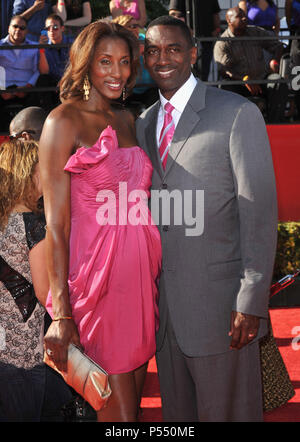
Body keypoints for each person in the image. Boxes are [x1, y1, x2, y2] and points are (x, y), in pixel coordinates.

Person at [136, 15, 278, 422]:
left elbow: (259, 213)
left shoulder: (237, 113)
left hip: (222, 311)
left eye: (173, 48)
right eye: (152, 50)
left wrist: (251, 299)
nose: (162, 58)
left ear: (194, 53)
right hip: (166, 317)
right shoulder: (144, 123)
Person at [38, 20, 162, 422]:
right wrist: (62, 312)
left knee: (133, 411)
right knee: (120, 416)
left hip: (140, 282)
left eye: (125, 62)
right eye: (105, 61)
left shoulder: (128, 119)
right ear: (86, 64)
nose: (118, 72)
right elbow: (56, 225)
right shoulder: (63, 121)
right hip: (97, 285)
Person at [0, 139, 72, 421]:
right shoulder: (32, 224)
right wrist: (69, 321)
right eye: (42, 168)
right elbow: (46, 293)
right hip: (24, 354)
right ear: (28, 173)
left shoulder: (4, 222)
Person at [214, 7, 285, 121]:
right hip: (239, 83)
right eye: (239, 16)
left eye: (245, 16)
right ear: (229, 20)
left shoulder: (255, 31)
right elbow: (223, 69)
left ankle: (275, 123)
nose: (244, 18)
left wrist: (274, 61)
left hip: (262, 80)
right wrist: (244, 79)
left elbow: (278, 46)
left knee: (278, 82)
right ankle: (231, 125)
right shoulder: (222, 43)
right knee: (224, 86)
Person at [0, 15, 40, 131]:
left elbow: (37, 70)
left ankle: (33, 140)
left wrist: (28, 86)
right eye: (15, 26)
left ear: (26, 31)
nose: (18, 30)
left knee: (39, 101)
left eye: (22, 28)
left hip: (27, 89)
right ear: (9, 28)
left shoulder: (34, 47)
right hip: (3, 89)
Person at [112, 14, 158, 112]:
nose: (134, 29)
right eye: (130, 26)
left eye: (136, 26)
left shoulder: (147, 42)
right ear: (120, 29)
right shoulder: (115, 46)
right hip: (127, 89)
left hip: (150, 88)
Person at [38, 13, 74, 110]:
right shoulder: (44, 46)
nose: (51, 31)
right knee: (43, 80)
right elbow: (44, 72)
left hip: (71, 80)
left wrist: (65, 79)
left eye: (55, 27)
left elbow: (78, 65)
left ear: (62, 28)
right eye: (48, 28)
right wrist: (41, 49)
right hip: (53, 84)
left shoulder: (73, 43)